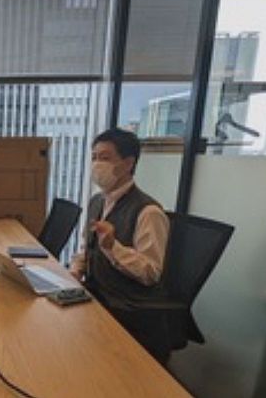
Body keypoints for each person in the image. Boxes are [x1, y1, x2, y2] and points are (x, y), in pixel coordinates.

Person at [68, 128, 171, 362]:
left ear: (128, 163)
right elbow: (87, 249)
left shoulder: (149, 212)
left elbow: (150, 272)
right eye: (94, 157)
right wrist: (74, 272)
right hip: (96, 298)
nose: (96, 164)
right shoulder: (97, 202)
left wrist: (112, 247)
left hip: (129, 311)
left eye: (104, 158)